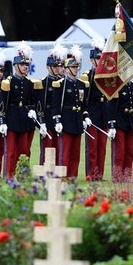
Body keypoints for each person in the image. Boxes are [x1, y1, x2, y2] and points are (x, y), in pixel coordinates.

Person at [0, 41, 39, 178]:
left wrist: (33, 109)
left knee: (24, 150)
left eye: (27, 65)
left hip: (24, 119)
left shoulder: (29, 83)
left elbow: (32, 100)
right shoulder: (8, 82)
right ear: (15, 67)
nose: (25, 67)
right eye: (22, 65)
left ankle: (22, 176)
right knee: (11, 151)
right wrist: (2, 121)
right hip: (11, 118)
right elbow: (2, 103)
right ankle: (9, 175)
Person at [51, 45, 87, 179]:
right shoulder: (60, 84)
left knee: (75, 152)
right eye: (73, 67)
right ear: (66, 69)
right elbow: (56, 105)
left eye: (77, 67)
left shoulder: (81, 84)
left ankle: (73, 176)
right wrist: (57, 120)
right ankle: (63, 176)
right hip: (66, 120)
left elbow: (83, 104)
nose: (76, 69)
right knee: (65, 151)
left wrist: (85, 117)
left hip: (77, 120)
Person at [106, 80, 133, 182]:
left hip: (130, 121)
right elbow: (111, 106)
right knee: (119, 150)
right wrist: (111, 125)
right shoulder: (116, 86)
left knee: (129, 150)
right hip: (119, 121)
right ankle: (117, 175)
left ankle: (127, 175)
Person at [37, 43, 66, 166]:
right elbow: (39, 105)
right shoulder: (42, 83)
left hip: (61, 119)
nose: (58, 69)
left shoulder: (64, 82)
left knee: (60, 148)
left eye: (59, 66)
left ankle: (58, 172)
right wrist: (41, 122)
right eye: (55, 66)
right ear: (48, 67)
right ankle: (45, 172)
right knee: (47, 149)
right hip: (47, 120)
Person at [83, 39, 108, 180]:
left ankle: (100, 174)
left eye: (101, 58)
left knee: (102, 147)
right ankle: (91, 173)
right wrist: (85, 114)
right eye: (98, 58)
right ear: (92, 60)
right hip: (92, 114)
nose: (100, 61)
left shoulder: (106, 75)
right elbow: (84, 98)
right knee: (92, 147)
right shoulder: (87, 75)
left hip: (104, 113)